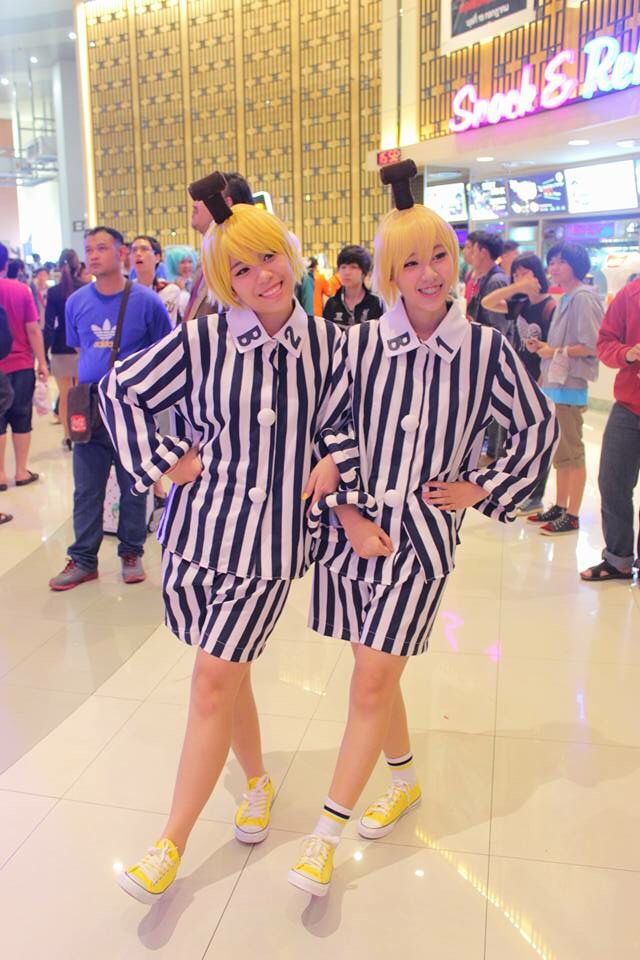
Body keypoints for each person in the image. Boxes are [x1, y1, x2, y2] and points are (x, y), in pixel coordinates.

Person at [98, 172, 381, 906]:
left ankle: (172, 842)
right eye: (242, 268)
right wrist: (163, 465)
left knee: (212, 681)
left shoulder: (328, 345)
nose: (263, 277)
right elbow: (119, 391)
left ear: (291, 254)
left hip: (270, 544)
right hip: (195, 538)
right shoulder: (202, 340)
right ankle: (255, 782)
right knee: (230, 669)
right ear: (224, 278)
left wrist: (336, 464)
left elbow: (353, 424)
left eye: (270, 259)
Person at [288, 160, 558, 898]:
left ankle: (324, 836)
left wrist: (482, 487)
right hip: (352, 538)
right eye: (411, 262)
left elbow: (534, 429)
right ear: (389, 275)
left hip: (423, 542)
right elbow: (329, 426)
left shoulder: (486, 350)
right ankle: (402, 782)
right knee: (374, 673)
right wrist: (345, 515)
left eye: (439, 254)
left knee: (373, 681)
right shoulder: (363, 344)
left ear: (456, 259)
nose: (429, 272)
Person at [48, 226, 172, 591]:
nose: (93, 255)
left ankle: (130, 552)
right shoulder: (76, 302)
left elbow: (164, 355)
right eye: (89, 249)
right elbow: (78, 352)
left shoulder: (147, 302)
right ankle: (84, 559)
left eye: (102, 248)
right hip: (89, 406)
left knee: (134, 483)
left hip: (132, 409)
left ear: (121, 253)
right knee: (86, 487)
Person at [526, 242, 603, 536]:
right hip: (557, 386)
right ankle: (559, 506)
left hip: (570, 387)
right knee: (561, 452)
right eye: (553, 262)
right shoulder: (567, 297)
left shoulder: (583, 297)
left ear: (576, 264)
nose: (555, 267)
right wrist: (547, 350)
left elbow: (590, 345)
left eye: (561, 261)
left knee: (572, 452)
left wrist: (553, 351)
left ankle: (572, 514)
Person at [480, 252, 557, 513]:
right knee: (517, 438)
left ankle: (536, 495)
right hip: (519, 378)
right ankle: (518, 488)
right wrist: (517, 287)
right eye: (515, 273)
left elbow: (553, 347)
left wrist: (542, 378)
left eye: (524, 273)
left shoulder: (550, 306)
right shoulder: (521, 304)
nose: (518, 277)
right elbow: (488, 302)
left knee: (539, 440)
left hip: (541, 379)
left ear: (536, 274)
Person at [580, 276, 640, 581]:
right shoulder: (631, 293)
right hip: (629, 407)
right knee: (612, 483)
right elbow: (605, 343)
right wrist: (628, 354)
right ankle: (618, 559)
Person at [0, 242, 48, 491]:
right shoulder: (21, 290)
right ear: (6, 265)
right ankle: (20, 471)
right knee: (21, 417)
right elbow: (33, 329)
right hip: (19, 363)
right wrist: (42, 361)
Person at [184, 171, 255, 323]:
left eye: (201, 198)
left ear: (226, 204)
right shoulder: (206, 257)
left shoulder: (240, 257)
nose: (194, 204)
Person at [44, 249, 83, 450]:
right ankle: (81, 432)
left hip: (60, 348)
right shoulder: (85, 288)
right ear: (79, 266)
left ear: (59, 267)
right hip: (81, 347)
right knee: (81, 394)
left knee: (65, 395)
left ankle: (68, 435)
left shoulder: (53, 292)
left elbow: (49, 325)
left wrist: (43, 353)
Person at [322, 245, 384, 329]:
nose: (347, 272)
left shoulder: (374, 303)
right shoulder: (332, 304)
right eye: (343, 267)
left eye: (353, 267)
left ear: (364, 272)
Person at [131, 236, 183, 327]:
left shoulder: (169, 290)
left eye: (144, 249)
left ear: (157, 257)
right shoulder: (126, 292)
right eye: (134, 250)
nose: (138, 253)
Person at [466, 232, 509, 333]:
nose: (472, 256)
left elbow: (500, 328)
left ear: (483, 253)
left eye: (474, 252)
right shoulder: (485, 277)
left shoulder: (496, 281)